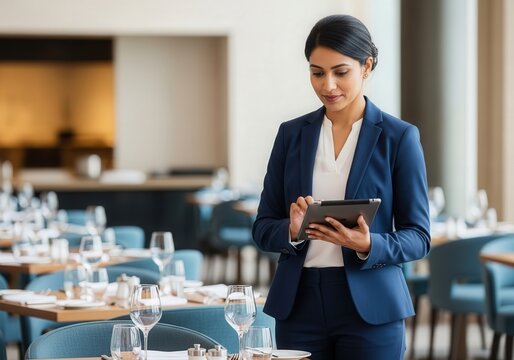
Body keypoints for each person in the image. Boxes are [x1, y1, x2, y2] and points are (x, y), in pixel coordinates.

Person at [252, 14, 430, 360]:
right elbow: (261, 227)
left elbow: (419, 236)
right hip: (298, 304)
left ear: (366, 66)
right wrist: (290, 230)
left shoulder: (399, 137)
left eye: (340, 72)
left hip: (372, 307)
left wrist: (369, 244)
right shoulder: (291, 135)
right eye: (317, 73)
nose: (327, 85)